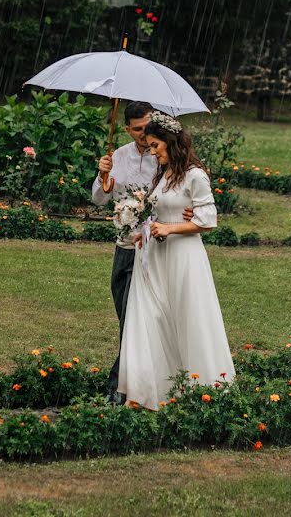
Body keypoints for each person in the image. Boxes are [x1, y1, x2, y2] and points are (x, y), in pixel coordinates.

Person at [117, 111, 235, 410]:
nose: (153, 151)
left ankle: (203, 388)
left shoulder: (195, 175)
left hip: (183, 256)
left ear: (171, 143)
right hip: (155, 256)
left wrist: (173, 227)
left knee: (186, 319)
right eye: (151, 145)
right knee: (151, 317)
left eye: (156, 145)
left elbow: (208, 220)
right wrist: (145, 228)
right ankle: (148, 391)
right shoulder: (164, 174)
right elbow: (160, 211)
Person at [92, 101, 192, 405]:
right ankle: (140, 381)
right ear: (126, 129)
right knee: (126, 316)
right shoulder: (117, 157)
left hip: (153, 250)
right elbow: (98, 200)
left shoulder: (162, 157)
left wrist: (185, 213)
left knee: (140, 320)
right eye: (136, 129)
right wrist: (102, 176)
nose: (142, 134)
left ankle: (120, 388)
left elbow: (178, 193)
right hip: (124, 248)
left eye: (146, 128)